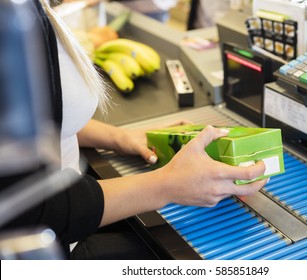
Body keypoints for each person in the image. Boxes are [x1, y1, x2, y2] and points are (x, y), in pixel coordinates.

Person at [0, 0, 267, 259]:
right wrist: (166, 185)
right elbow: (31, 210)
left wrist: (119, 137)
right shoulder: (9, 20)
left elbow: (38, 120)